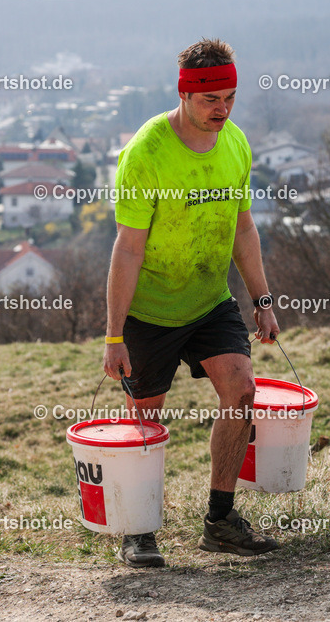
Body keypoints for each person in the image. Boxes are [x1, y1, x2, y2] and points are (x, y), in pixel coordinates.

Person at [102, 38, 280, 568]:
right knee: (147, 419)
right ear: (184, 94)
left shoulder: (236, 145)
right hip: (150, 310)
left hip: (209, 299)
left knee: (242, 390)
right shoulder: (147, 153)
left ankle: (220, 520)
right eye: (210, 100)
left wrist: (262, 299)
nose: (222, 109)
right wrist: (114, 335)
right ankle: (138, 529)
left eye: (229, 97)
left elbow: (243, 226)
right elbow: (128, 247)